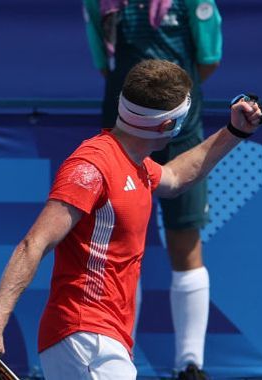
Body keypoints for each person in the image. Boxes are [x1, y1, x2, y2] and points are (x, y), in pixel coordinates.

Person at [0, 59, 262, 380]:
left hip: (102, 340)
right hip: (85, 336)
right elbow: (33, 243)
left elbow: (177, 177)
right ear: (169, 126)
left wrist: (234, 132)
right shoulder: (91, 167)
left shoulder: (135, 164)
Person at [82, 1, 222, 377]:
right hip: (122, 137)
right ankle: (119, 354)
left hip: (182, 133)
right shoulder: (97, 4)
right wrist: (140, 117)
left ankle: (191, 365)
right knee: (120, 248)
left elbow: (209, 58)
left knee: (184, 242)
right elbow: (104, 63)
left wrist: (166, 109)